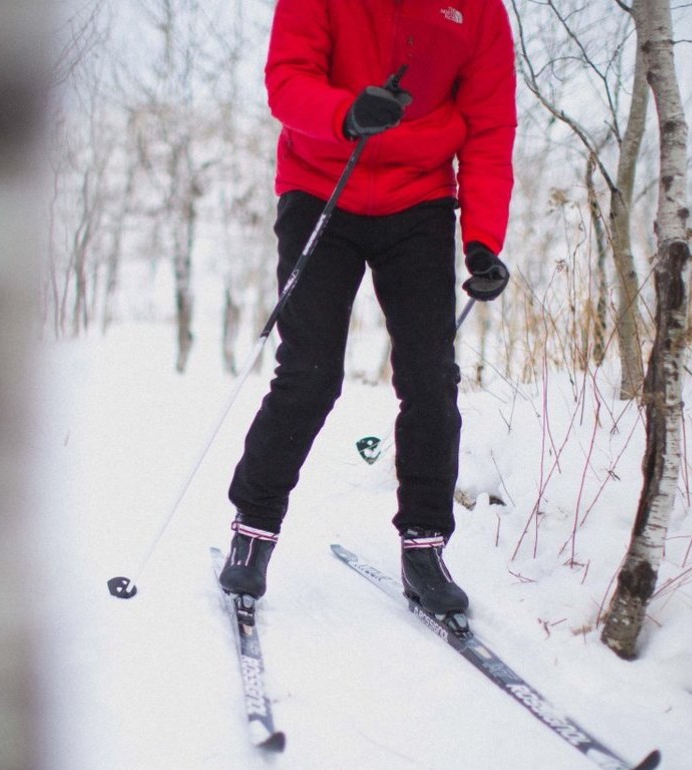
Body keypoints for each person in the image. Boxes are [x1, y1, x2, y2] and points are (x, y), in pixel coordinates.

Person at [218, 0, 517, 619]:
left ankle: (424, 548)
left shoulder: (477, 11)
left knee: (431, 381)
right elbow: (287, 80)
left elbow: (490, 126)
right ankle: (253, 530)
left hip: (420, 200)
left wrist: (483, 238)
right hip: (321, 181)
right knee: (309, 373)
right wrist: (344, 113)